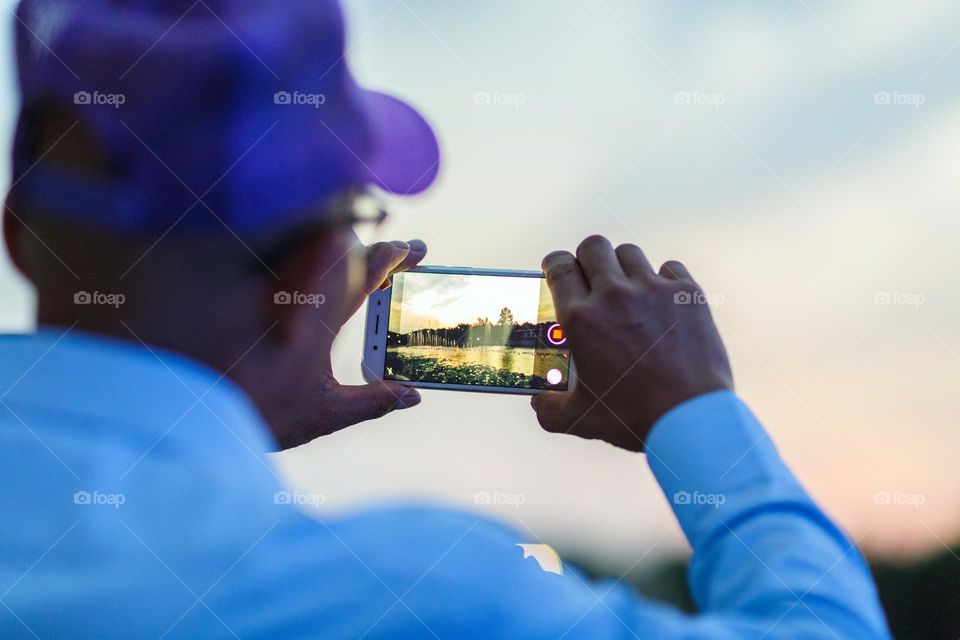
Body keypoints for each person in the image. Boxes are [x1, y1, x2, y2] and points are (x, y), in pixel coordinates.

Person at [0, 0, 892, 637]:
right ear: (306, 277)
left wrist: (220, 419)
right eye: (359, 224)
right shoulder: (424, 595)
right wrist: (695, 410)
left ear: (19, 238)